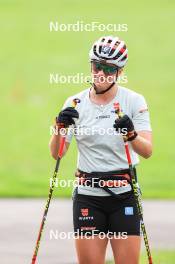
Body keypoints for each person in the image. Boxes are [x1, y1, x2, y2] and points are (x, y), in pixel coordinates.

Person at [49, 36, 152, 264]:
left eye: (109, 68)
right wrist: (59, 127)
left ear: (120, 72)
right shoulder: (75, 103)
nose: (101, 73)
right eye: (97, 66)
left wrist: (131, 134)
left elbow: (147, 150)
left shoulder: (134, 101)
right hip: (88, 198)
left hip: (124, 196)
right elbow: (57, 153)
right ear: (91, 66)